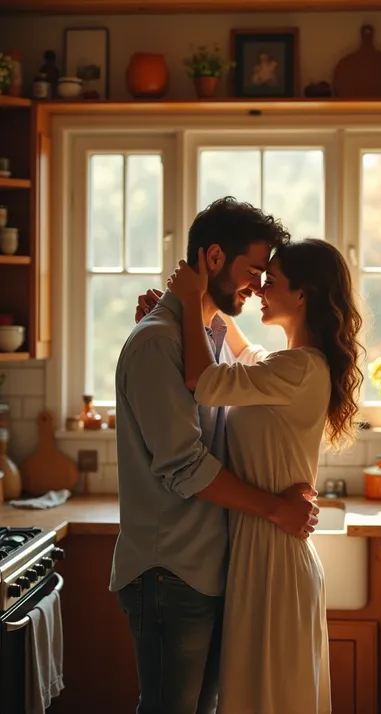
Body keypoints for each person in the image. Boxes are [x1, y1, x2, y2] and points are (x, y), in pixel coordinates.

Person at [111, 197, 320, 714]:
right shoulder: (158, 344)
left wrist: (182, 305)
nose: (258, 286)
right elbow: (186, 467)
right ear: (211, 259)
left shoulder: (207, 338)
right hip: (170, 572)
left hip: (203, 567)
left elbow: (230, 375)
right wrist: (276, 507)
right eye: (253, 272)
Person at [164, 237, 364, 714]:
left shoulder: (298, 369)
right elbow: (243, 350)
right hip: (264, 552)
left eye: (271, 283)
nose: (258, 291)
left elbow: (204, 383)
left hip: (274, 561)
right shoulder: (288, 367)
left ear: (304, 294)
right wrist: (189, 311)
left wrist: (191, 300)